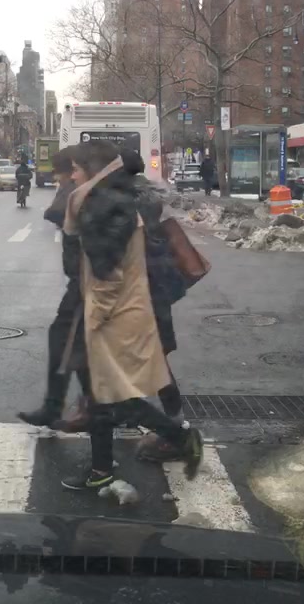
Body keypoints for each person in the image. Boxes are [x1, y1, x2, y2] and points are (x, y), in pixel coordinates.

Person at [60, 140, 203, 491]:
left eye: (75, 169)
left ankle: (177, 437)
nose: (71, 176)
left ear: (92, 170)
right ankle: (102, 469)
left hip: (116, 316)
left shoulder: (105, 205)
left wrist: (96, 317)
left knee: (112, 396)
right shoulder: (110, 200)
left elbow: (106, 275)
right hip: (123, 311)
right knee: (104, 396)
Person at [118, 149, 190, 461]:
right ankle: (133, 411)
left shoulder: (126, 203)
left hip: (143, 292)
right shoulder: (145, 198)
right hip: (154, 289)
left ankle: (176, 432)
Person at [17, 145, 91, 428]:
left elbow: (54, 212)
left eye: (61, 175)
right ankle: (88, 404)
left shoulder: (77, 190)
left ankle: (171, 429)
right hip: (83, 281)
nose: (59, 180)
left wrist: (66, 189)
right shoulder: (83, 188)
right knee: (73, 344)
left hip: (87, 282)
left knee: (64, 340)